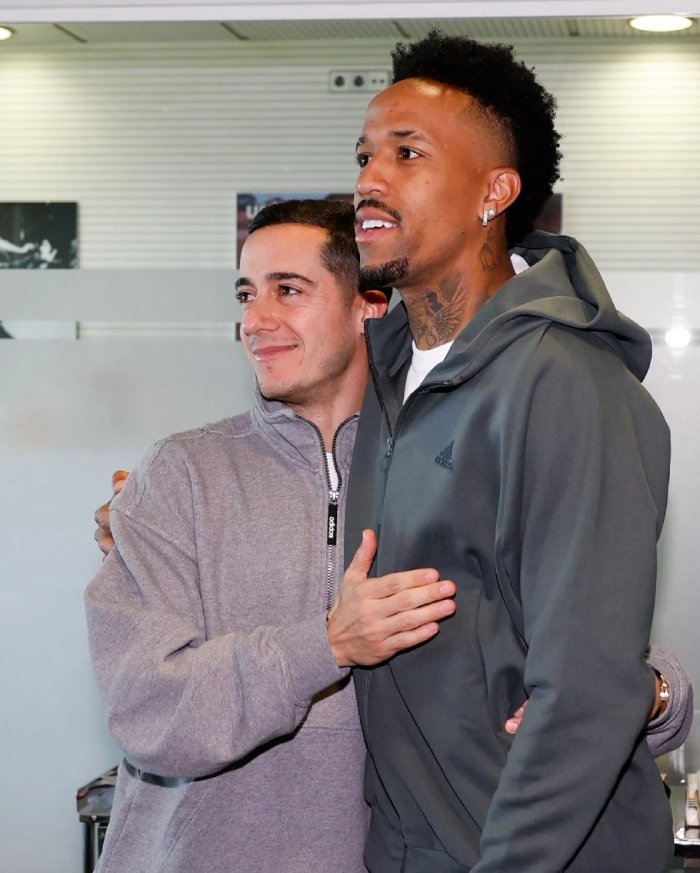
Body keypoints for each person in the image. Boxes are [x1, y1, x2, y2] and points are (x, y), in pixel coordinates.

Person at [345, 30, 685, 873]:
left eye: (406, 153)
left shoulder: (566, 383)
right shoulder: (388, 378)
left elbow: (586, 690)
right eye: (364, 155)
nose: (369, 180)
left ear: (495, 191)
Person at [85, 199, 463, 873]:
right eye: (246, 295)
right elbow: (149, 710)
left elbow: (570, 635)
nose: (256, 321)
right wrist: (327, 644)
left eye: (287, 290)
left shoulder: (443, 473)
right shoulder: (180, 474)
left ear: (369, 305)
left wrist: (653, 696)